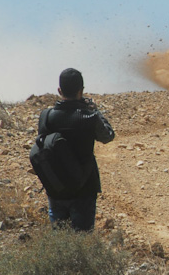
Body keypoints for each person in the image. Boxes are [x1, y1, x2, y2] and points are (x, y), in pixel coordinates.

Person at [37, 68, 115, 231]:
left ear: (59, 91)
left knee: (59, 237)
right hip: (84, 189)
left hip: (56, 187)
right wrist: (94, 110)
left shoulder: (46, 116)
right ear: (81, 91)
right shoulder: (89, 117)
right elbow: (108, 136)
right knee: (83, 237)